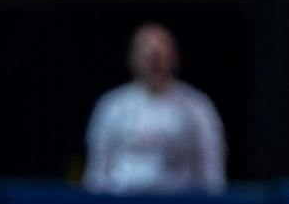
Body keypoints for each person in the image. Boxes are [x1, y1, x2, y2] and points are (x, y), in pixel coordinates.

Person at [81, 23, 227, 193]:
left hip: (177, 201)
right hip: (121, 200)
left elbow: (212, 172)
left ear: (173, 57)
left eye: (160, 53)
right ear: (132, 58)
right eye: (147, 53)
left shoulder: (197, 106)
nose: (154, 60)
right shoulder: (111, 106)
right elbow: (97, 172)